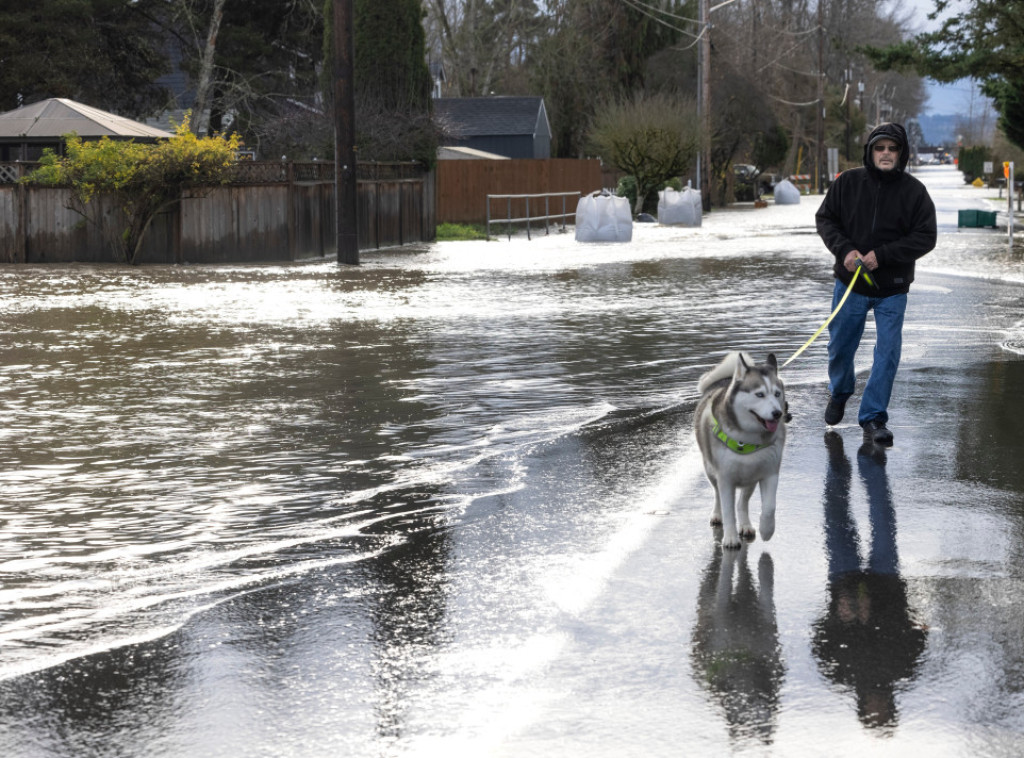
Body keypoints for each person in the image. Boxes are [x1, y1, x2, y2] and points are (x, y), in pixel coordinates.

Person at [815, 122, 937, 446]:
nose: (886, 153)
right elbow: (825, 219)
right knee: (840, 347)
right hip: (850, 285)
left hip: (892, 288)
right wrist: (845, 251)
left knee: (888, 353)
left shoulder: (915, 193)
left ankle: (873, 418)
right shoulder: (848, 183)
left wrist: (882, 255)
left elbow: (926, 237)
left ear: (902, 153)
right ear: (871, 151)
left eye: (892, 148)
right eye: (880, 148)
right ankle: (840, 391)